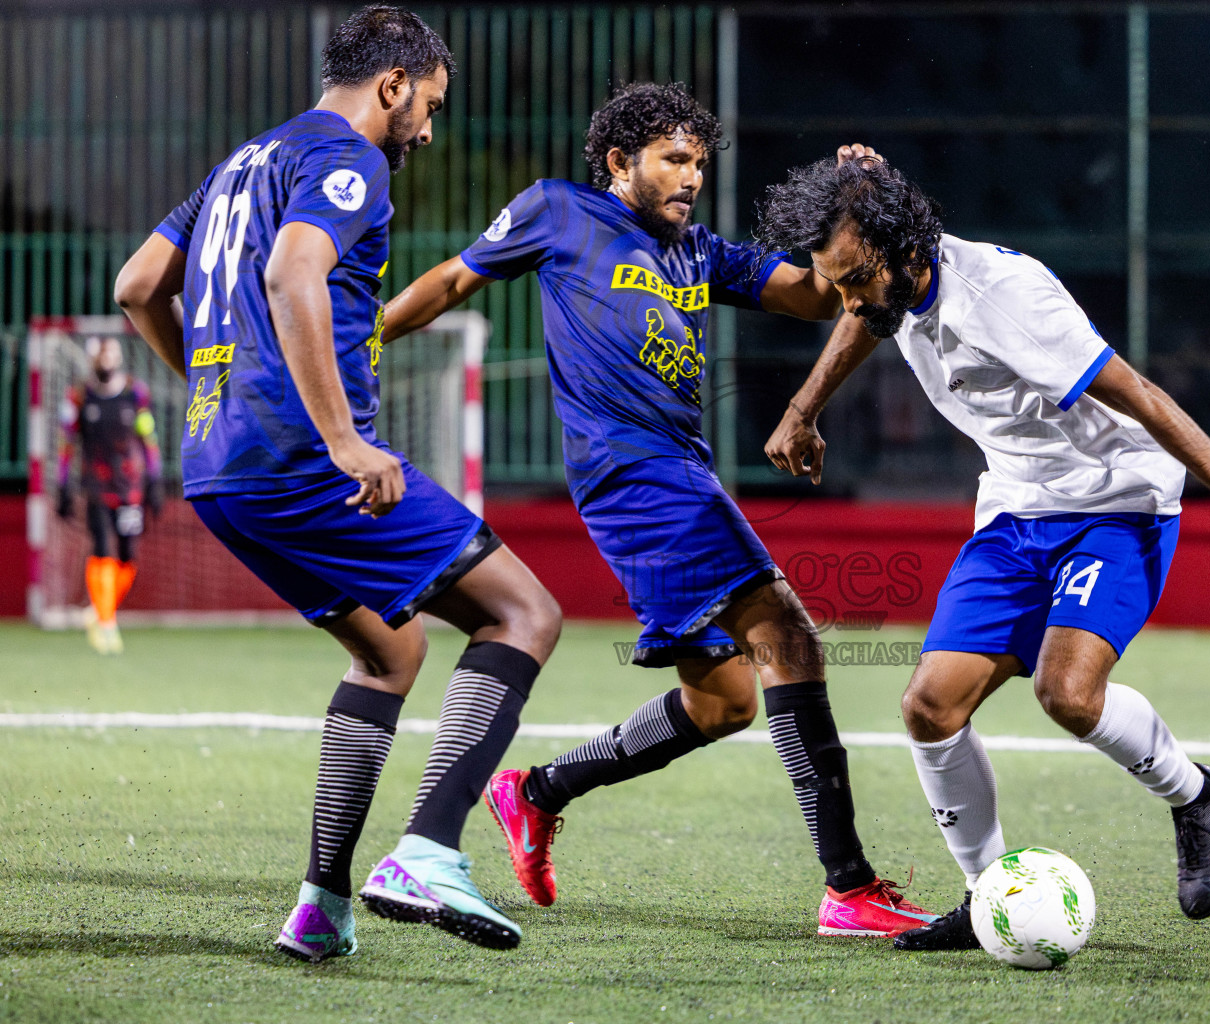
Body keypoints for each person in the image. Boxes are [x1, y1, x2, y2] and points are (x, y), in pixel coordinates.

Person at [383, 84, 932, 938]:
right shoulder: (558, 213)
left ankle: (535, 792)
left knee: (725, 703)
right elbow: (456, 278)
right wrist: (365, 336)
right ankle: (848, 887)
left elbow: (819, 297)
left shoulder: (698, 252)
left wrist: (856, 205)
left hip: (683, 475)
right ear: (618, 162)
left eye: (700, 163)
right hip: (632, 476)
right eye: (675, 158)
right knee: (790, 642)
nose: (691, 177)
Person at [756, 153, 1210, 950]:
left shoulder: (1007, 301)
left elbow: (1145, 397)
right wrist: (805, 407)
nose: (843, 301)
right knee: (928, 706)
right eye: (834, 281)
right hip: (1017, 511)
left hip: (1115, 504)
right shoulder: (890, 279)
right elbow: (866, 313)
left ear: (906, 250)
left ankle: (1197, 795)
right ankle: (988, 898)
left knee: (1069, 694)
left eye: (853, 279)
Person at [112, 5, 562, 964]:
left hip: (217, 469)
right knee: (524, 613)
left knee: (388, 655)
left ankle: (322, 905)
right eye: (429, 105)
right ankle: (428, 851)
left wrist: (210, 389)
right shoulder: (344, 158)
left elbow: (138, 285)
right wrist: (344, 440)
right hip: (297, 459)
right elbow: (293, 272)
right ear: (392, 85)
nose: (430, 130)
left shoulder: (242, 164)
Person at [56, 336, 163, 654]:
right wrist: (63, 484)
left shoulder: (136, 393)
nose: (107, 360)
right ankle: (106, 625)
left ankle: (100, 610)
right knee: (102, 547)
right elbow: (66, 444)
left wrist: (155, 481)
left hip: (130, 487)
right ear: (92, 360)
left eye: (112, 354)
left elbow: (149, 437)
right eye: (101, 356)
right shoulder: (77, 396)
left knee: (128, 555)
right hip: (95, 485)